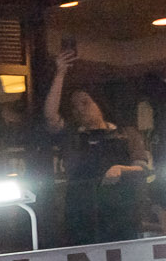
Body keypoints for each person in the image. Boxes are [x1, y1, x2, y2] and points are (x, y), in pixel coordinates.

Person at [42, 42, 150, 246]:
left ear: (99, 103)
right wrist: (60, 75)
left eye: (85, 103)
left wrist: (120, 169)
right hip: (81, 215)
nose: (80, 110)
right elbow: (50, 116)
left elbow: (143, 168)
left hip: (121, 214)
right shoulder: (73, 136)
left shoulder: (126, 134)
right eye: (74, 107)